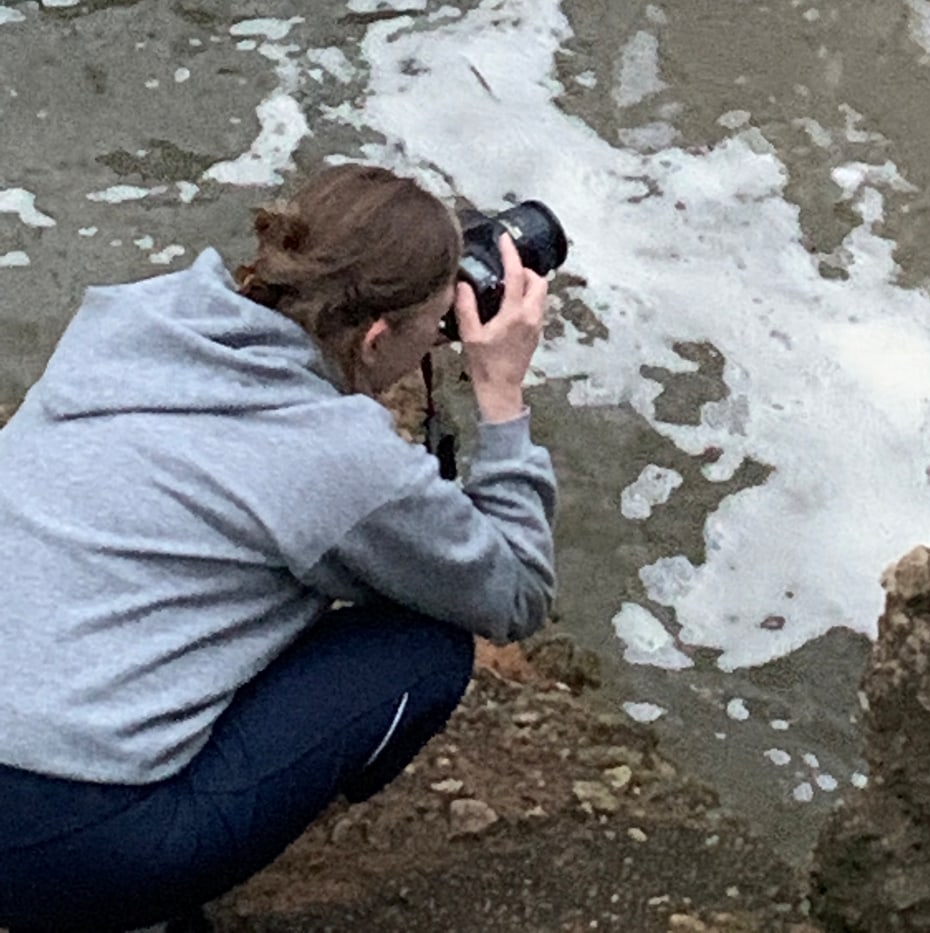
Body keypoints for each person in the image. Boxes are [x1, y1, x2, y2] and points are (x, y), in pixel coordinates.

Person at [0, 163, 557, 933]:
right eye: (434, 325)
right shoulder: (337, 459)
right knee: (421, 645)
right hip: (67, 842)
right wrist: (501, 397)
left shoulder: (132, 320)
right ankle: (123, 908)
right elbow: (518, 590)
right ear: (375, 337)